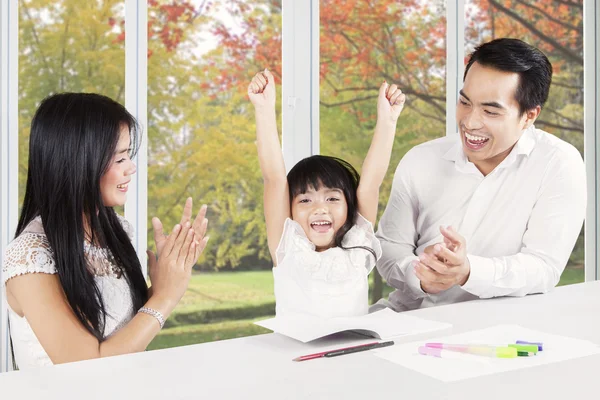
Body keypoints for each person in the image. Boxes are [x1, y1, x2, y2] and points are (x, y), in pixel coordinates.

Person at [374, 38, 586, 312]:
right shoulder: (421, 159)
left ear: (529, 116)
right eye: (465, 102)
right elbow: (389, 249)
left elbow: (544, 267)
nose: (470, 122)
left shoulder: (558, 163)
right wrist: (422, 276)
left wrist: (468, 271)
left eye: (490, 111)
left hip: (504, 327)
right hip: (411, 318)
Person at [2, 92, 210, 369]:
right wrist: (165, 297)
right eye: (120, 158)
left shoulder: (115, 230)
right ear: (79, 162)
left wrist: (167, 278)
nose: (132, 168)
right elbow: (87, 366)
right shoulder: (29, 258)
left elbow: (123, 333)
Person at [248, 69, 405, 318]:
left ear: (349, 206)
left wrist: (388, 120)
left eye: (332, 198)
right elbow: (274, 179)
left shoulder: (357, 247)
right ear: (289, 209)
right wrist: (264, 109)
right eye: (305, 200)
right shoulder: (287, 248)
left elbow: (371, 183)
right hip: (296, 355)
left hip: (351, 352)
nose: (320, 208)